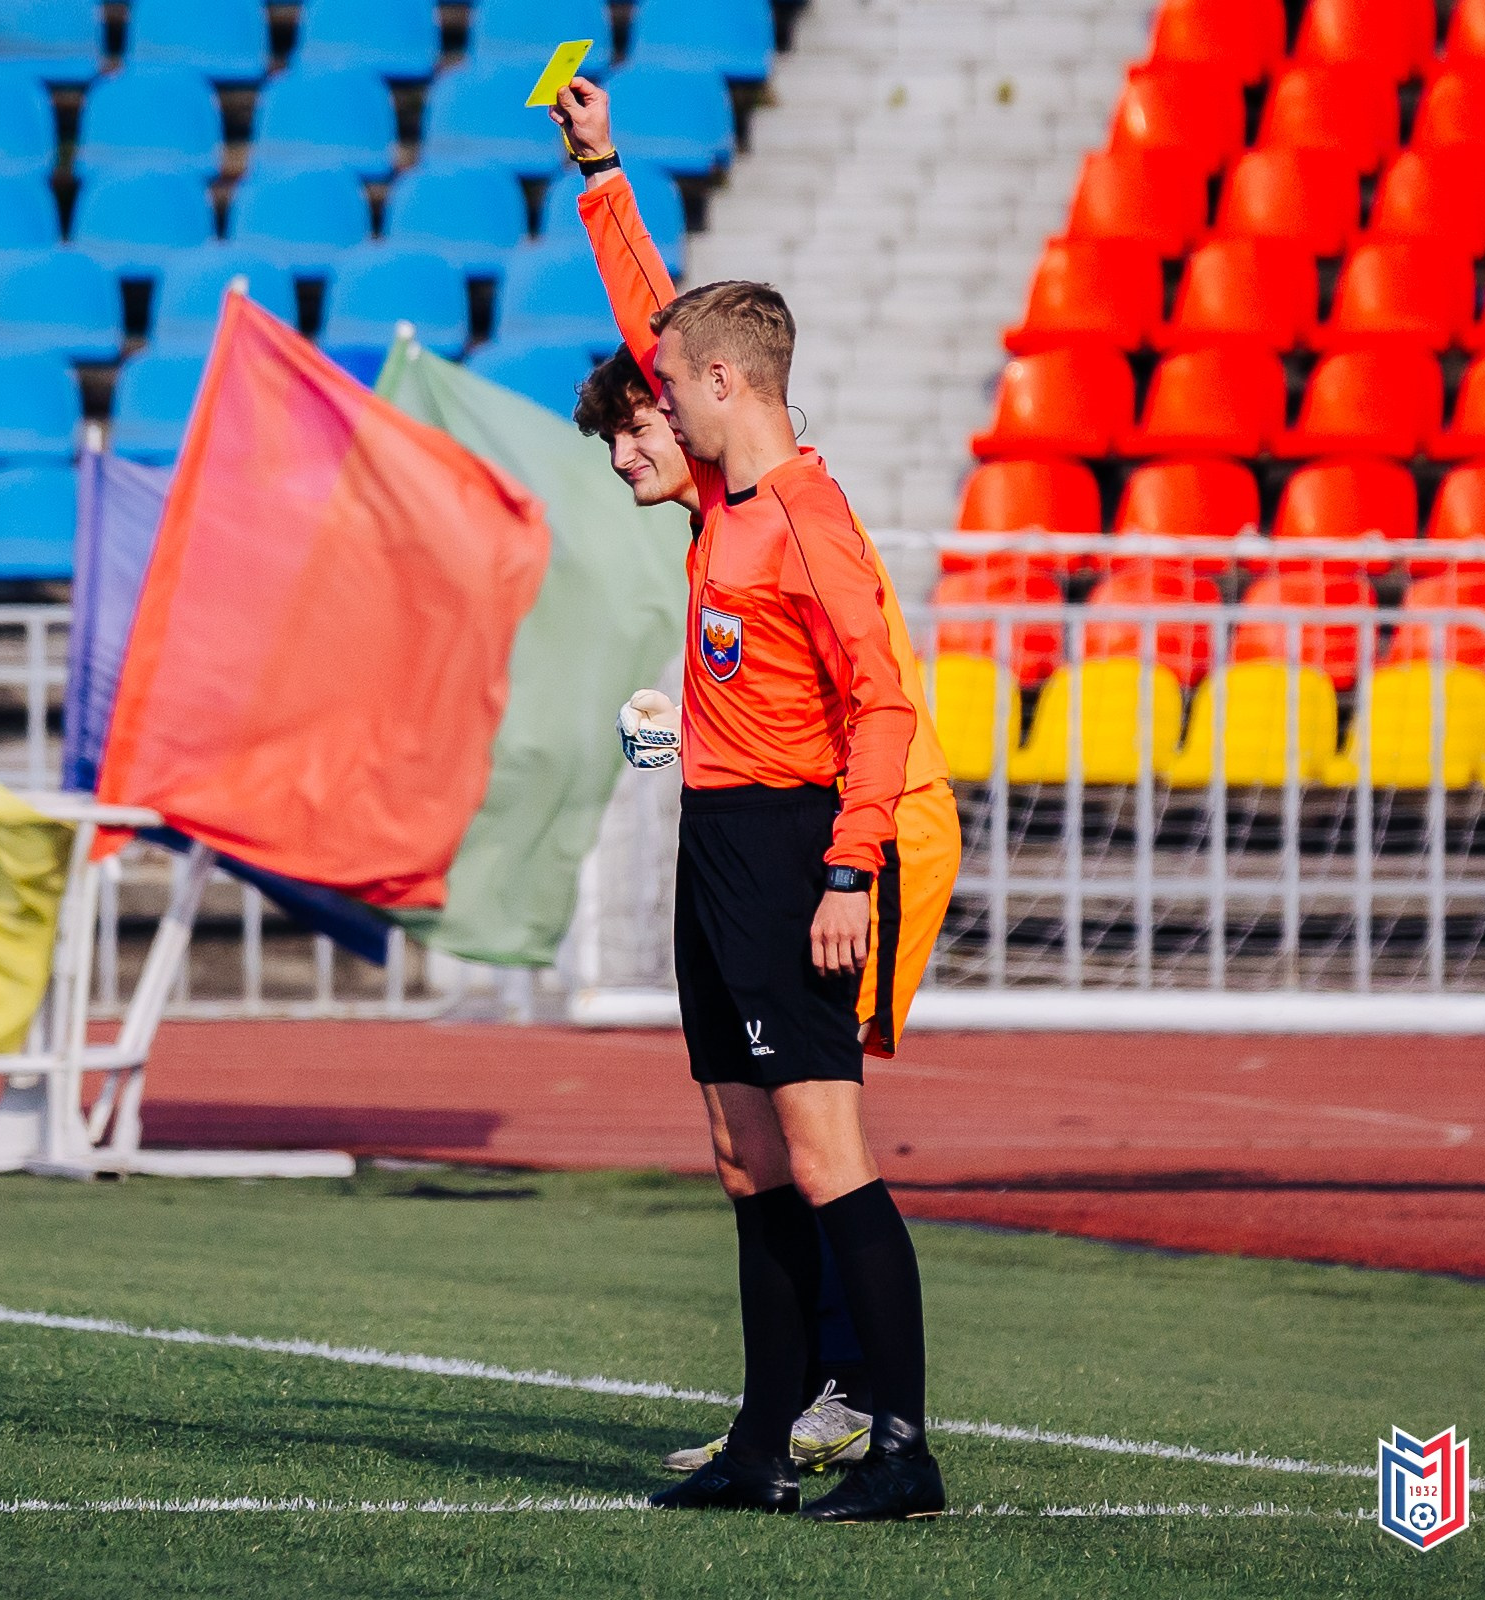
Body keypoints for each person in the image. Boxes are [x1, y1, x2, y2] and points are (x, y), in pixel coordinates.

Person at [553, 77, 949, 1523]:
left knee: (827, 1148)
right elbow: (651, 312)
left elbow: (887, 703)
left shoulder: (809, 521)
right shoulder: (723, 501)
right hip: (715, 841)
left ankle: (901, 1447)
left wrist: (849, 873)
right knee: (740, 1152)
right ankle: (765, 1438)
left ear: (721, 388)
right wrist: (601, 172)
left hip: (796, 848)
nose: (648, 402)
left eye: (669, 386)